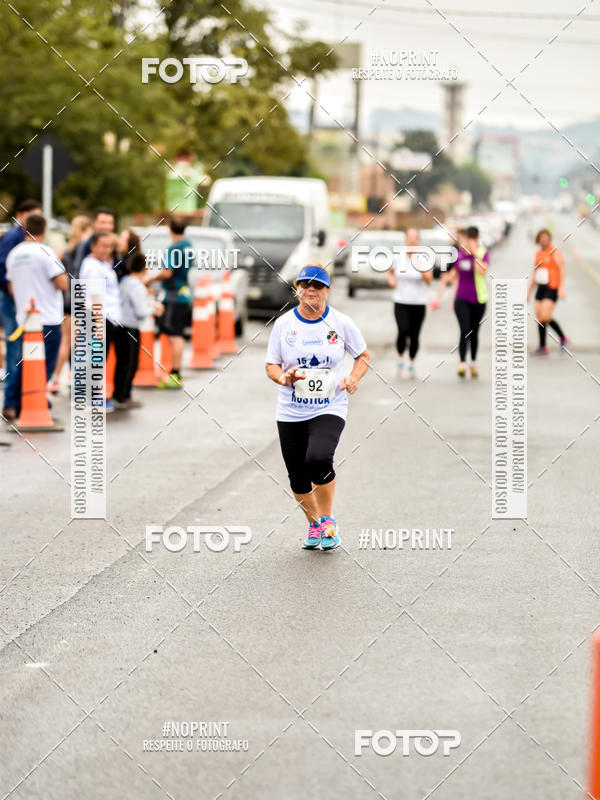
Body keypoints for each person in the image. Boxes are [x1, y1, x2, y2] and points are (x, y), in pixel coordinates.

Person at [265, 265, 370, 551]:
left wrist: (353, 377)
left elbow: (363, 355)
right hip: (291, 410)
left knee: (318, 458)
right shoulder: (284, 325)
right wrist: (283, 377)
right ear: (297, 288)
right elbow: (271, 364)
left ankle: (328, 520)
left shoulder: (341, 322)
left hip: (330, 406)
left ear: (327, 290)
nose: (310, 290)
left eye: (317, 285)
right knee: (297, 476)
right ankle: (314, 525)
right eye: (304, 284)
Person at [5, 214, 67, 414]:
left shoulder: (14, 254)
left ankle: (13, 402)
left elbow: (12, 288)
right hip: (47, 317)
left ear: (24, 230)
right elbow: (63, 283)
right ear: (44, 231)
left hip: (24, 319)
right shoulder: (46, 252)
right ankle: (34, 399)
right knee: (42, 365)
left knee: (22, 363)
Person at [0, 199, 42, 419]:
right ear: (20, 215)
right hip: (12, 302)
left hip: (27, 305)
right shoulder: (13, 239)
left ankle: (25, 400)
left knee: (29, 354)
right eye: (32, 216)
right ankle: (10, 403)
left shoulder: (32, 240)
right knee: (15, 352)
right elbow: (6, 274)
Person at [144, 216, 194, 389]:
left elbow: (167, 272)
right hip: (184, 293)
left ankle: (175, 374)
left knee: (175, 336)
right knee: (176, 334)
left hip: (173, 296)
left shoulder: (174, 248)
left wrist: (151, 279)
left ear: (170, 228)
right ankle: (174, 373)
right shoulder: (188, 246)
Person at [433, 226, 488, 378]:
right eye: (466, 239)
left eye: (471, 240)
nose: (468, 243)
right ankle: (462, 363)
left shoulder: (483, 253)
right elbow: (451, 276)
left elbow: (482, 272)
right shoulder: (459, 255)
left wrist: (475, 254)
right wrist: (440, 294)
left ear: (476, 240)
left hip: (479, 299)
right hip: (461, 299)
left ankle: (474, 362)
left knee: (474, 332)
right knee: (464, 330)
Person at [48, 215, 93, 393]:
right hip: (81, 298)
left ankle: (57, 377)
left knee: (66, 340)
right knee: (78, 341)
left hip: (67, 298)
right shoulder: (87, 247)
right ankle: (67, 378)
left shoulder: (66, 249)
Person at [113, 253, 163, 409]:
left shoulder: (124, 282)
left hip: (119, 324)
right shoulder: (137, 285)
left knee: (121, 362)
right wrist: (155, 309)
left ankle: (119, 394)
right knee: (130, 363)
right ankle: (123, 395)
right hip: (130, 326)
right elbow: (141, 311)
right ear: (145, 268)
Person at [79, 232, 122, 412]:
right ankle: (92, 397)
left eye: (109, 246)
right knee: (96, 358)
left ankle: (94, 395)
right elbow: (95, 296)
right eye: (103, 246)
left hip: (107, 317)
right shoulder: (92, 266)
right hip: (98, 317)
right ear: (93, 246)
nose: (107, 250)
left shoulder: (102, 264)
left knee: (99, 357)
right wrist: (98, 323)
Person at [386, 228, 433, 377]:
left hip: (419, 302)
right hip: (401, 301)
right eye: (410, 237)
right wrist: (392, 281)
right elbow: (389, 272)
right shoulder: (397, 257)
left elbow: (428, 280)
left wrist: (418, 264)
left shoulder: (424, 257)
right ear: (406, 240)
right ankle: (400, 357)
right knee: (403, 330)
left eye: (415, 238)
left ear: (418, 241)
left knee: (414, 334)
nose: (412, 240)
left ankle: (411, 361)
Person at [527, 228, 568, 355]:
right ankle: (543, 347)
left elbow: (561, 268)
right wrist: (529, 291)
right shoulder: (538, 253)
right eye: (541, 237)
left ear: (549, 239)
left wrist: (561, 287)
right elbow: (535, 273)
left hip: (552, 287)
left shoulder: (554, 251)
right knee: (540, 318)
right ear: (538, 239)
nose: (544, 239)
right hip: (541, 287)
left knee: (546, 316)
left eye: (546, 237)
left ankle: (563, 338)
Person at [72, 207, 116, 278]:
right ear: (94, 223)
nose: (107, 226)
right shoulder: (85, 245)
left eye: (110, 223)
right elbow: (76, 275)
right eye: (103, 222)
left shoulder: (115, 245)